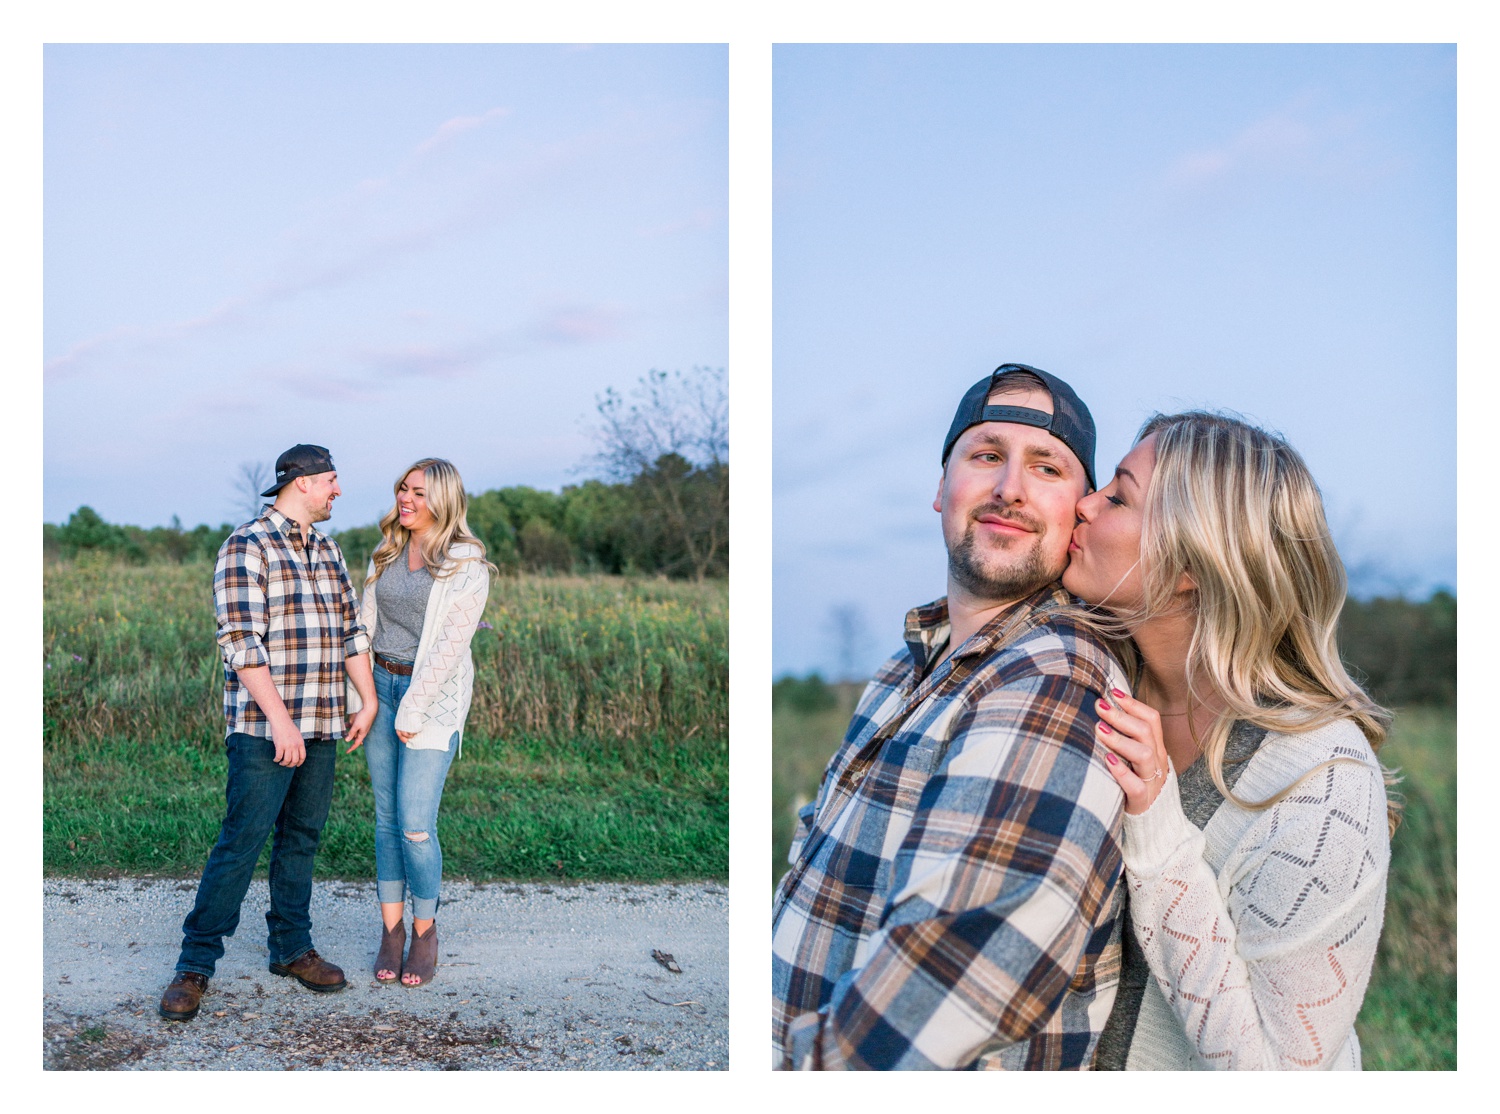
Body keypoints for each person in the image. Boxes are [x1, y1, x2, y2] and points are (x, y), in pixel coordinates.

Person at [771, 364, 1131, 1070]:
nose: (1009, 489)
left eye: (1047, 467)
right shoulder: (903, 670)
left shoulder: (1052, 680)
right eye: (986, 455)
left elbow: (933, 1004)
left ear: (1080, 511)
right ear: (942, 489)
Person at [1068, 412, 1395, 1070]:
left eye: (1119, 497)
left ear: (1190, 564)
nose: (1084, 503)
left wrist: (1158, 834)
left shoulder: (1325, 782)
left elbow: (1272, 1074)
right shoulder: (1082, 684)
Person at [160, 444, 377, 1022]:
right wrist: (280, 722)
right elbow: (239, 642)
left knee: (302, 837)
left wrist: (369, 698)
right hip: (265, 728)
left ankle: (291, 949)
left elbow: (351, 630)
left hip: (324, 720)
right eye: (332, 480)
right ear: (303, 483)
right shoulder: (246, 546)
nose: (338, 490)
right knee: (242, 843)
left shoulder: (328, 549)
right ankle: (194, 966)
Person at [346, 458, 494, 987]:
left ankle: (425, 930)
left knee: (414, 825)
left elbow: (449, 652)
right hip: (378, 688)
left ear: (445, 502)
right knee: (386, 819)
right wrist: (363, 698)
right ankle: (392, 931)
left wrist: (410, 710)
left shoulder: (466, 565)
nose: (406, 499)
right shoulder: (385, 551)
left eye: (419, 493)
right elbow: (364, 627)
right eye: (404, 490)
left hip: (430, 700)